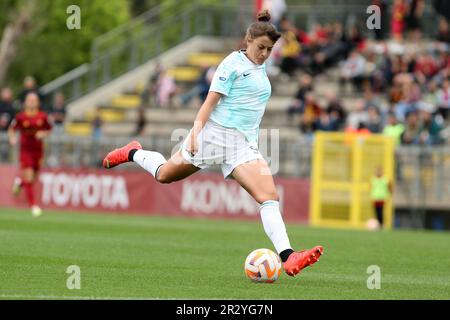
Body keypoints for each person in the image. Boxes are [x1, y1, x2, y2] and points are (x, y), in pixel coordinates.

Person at [103, 10, 323, 277]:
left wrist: (264, 21)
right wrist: (195, 134)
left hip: (243, 146)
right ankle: (133, 152)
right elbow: (209, 102)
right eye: (261, 48)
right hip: (213, 136)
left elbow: (266, 37)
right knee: (165, 175)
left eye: (269, 49)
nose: (264, 54)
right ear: (247, 40)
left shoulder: (260, 61)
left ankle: (288, 257)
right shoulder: (232, 64)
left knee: (268, 197)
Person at [8, 92, 52, 217]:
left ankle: (19, 183)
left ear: (38, 102)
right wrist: (12, 138)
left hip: (38, 151)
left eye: (34, 100)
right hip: (25, 151)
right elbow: (12, 129)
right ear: (26, 102)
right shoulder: (20, 117)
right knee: (29, 176)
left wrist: (43, 134)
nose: (32, 102)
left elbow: (49, 129)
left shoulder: (42, 117)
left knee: (32, 178)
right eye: (30, 100)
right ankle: (33, 206)